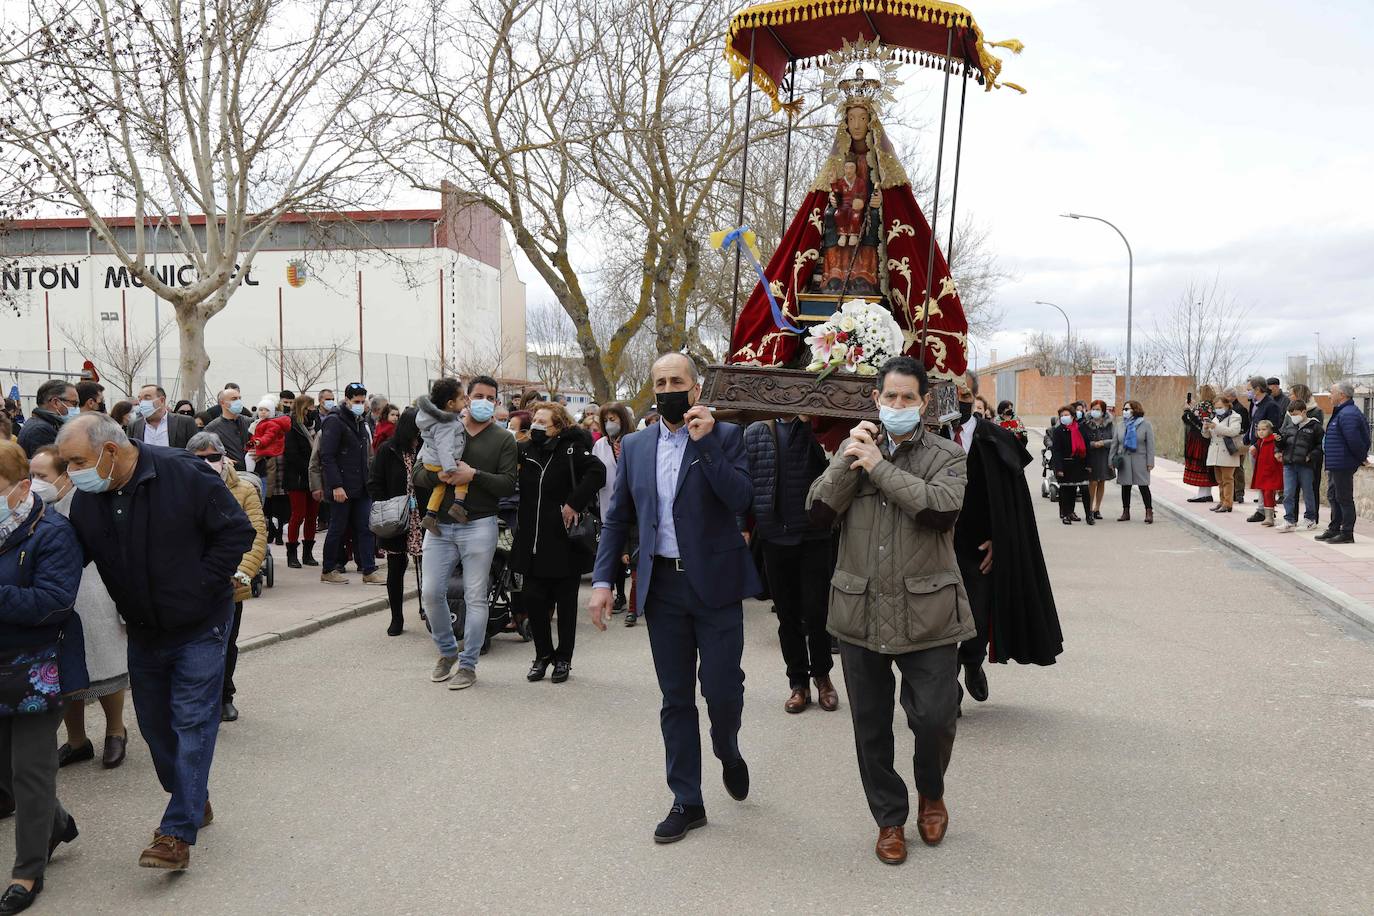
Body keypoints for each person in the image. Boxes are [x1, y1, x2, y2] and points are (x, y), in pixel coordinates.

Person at [58, 413, 254, 870]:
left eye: (76, 461)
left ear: (109, 451)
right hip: (144, 629)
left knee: (191, 722)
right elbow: (70, 555)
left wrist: (202, 585)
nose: (71, 472)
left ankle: (175, 833)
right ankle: (193, 798)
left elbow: (236, 532)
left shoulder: (182, 472)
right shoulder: (90, 498)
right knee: (154, 727)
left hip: (200, 624)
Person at [806, 356, 972, 865]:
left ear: (925, 403)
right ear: (875, 400)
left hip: (929, 612)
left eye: (908, 397)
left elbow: (939, 510)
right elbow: (817, 512)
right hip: (861, 610)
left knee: (936, 718)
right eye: (889, 397)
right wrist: (846, 458)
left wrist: (878, 468)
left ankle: (931, 790)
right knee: (871, 726)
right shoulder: (852, 451)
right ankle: (889, 819)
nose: (898, 405)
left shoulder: (947, 455)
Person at [589, 353, 758, 844]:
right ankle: (688, 799)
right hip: (662, 588)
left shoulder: (726, 436)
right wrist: (603, 582)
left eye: (677, 381)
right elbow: (618, 517)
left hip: (716, 585)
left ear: (696, 390)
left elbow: (741, 499)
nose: (668, 389)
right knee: (675, 696)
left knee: (723, 691)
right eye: (660, 381)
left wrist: (706, 446)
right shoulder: (636, 446)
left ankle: (727, 747)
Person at [0, 441, 82, 913]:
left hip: (36, 665)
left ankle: (27, 872)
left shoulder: (51, 532)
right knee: (5, 768)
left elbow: (54, 602)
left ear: (23, 488)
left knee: (30, 769)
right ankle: (57, 823)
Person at [946, 373, 1061, 711]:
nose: (958, 397)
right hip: (933, 546)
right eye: (950, 391)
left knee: (978, 619)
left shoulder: (994, 439)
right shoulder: (927, 434)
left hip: (979, 548)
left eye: (963, 391)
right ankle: (944, 682)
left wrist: (1001, 539)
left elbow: (1013, 504)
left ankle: (971, 659)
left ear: (973, 396)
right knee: (937, 622)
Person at [28, 447, 129, 770]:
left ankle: (116, 731)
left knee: (104, 665)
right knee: (66, 671)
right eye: (31, 476)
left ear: (65, 477)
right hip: (54, 596)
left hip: (95, 591)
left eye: (42, 477)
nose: (34, 483)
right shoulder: (32, 506)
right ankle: (77, 740)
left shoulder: (90, 503)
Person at [414, 375, 518, 690]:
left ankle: (469, 664)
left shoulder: (503, 439)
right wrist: (443, 477)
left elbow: (507, 483)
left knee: (476, 597)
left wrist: (474, 475)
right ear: (466, 398)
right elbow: (419, 474)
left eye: (490, 397)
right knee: (431, 593)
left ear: (496, 402)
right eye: (478, 395)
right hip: (440, 526)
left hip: (479, 525)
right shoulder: (440, 426)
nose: (484, 401)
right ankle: (447, 651)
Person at [744, 413, 835, 714]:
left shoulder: (816, 427)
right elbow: (747, 479)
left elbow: (829, 467)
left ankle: (822, 676)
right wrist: (743, 524)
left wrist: (813, 424)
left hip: (813, 533)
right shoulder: (756, 430)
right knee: (787, 616)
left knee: (817, 612)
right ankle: (798, 683)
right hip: (774, 534)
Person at [511, 403, 604, 683]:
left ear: (558, 426)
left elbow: (598, 473)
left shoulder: (571, 449)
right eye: (535, 420)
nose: (537, 425)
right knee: (534, 601)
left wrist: (574, 502)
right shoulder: (525, 450)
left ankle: (563, 658)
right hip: (530, 541)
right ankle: (542, 656)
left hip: (564, 542)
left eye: (543, 421)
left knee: (565, 607)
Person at [186, 433, 266, 722]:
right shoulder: (177, 487)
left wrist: (243, 573)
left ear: (224, 458)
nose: (208, 463)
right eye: (199, 458)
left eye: (213, 457)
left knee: (226, 643)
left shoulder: (243, 489)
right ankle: (196, 697)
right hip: (191, 583)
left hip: (230, 583)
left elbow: (255, 534)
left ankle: (223, 696)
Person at [367, 407, 424, 636]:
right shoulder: (388, 449)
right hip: (396, 516)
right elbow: (374, 482)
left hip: (423, 515)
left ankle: (430, 610)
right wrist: (388, 505)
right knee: (396, 568)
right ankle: (396, 617)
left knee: (429, 567)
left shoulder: (426, 448)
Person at [319, 383, 383, 585]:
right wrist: (336, 485)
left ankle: (368, 569)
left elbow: (366, 456)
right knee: (337, 528)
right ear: (347, 400)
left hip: (361, 486)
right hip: (342, 487)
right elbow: (327, 457)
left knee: (365, 528)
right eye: (356, 401)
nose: (360, 405)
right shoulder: (334, 421)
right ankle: (328, 569)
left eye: (363, 402)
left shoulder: (360, 421)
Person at [1317, 381, 1371, 545]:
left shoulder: (1348, 414)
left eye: (1332, 392)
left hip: (1343, 463)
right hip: (1336, 462)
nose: (1329, 396)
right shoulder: (1342, 412)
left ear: (1342, 395)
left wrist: (1361, 457)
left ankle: (1347, 533)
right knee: (1334, 496)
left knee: (1344, 498)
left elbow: (1355, 440)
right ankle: (1334, 528)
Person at [593, 403, 635, 612]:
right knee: (614, 551)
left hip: (633, 505)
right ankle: (617, 593)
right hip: (608, 504)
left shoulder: (633, 441)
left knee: (631, 552)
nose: (610, 424)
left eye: (614, 419)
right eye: (606, 420)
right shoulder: (600, 445)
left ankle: (636, 596)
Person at [416, 379, 469, 533]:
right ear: (450, 404)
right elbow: (444, 447)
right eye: (461, 398)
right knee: (462, 477)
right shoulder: (445, 423)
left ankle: (430, 516)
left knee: (439, 488)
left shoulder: (430, 418)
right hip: (441, 462)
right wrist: (451, 468)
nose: (465, 401)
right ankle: (458, 505)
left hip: (430, 460)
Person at [1274, 399, 1324, 533]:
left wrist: (1311, 456)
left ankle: (1310, 519)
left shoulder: (1315, 427)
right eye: (1291, 415)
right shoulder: (1290, 427)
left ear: (1303, 412)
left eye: (1295, 414)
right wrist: (1278, 444)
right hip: (1289, 464)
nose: (1293, 417)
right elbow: (1284, 443)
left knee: (1308, 492)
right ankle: (1289, 520)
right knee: (1288, 493)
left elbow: (1321, 445)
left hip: (1306, 465)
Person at [283, 396, 320, 569]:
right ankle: (292, 554)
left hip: (314, 477)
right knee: (298, 516)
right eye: (310, 406)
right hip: (297, 478)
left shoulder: (315, 425)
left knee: (313, 516)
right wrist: (310, 468)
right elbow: (291, 454)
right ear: (303, 408)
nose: (313, 409)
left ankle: (308, 553)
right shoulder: (292, 426)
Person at [1110, 400, 1156, 523]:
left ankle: (1149, 511)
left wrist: (1150, 462)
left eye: (1127, 409)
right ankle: (1126, 512)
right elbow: (1115, 443)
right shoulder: (1120, 425)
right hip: (1124, 459)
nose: (1125, 411)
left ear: (1135, 410)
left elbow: (1150, 445)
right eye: (1124, 409)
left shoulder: (1145, 425)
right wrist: (1111, 460)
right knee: (1125, 486)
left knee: (1143, 486)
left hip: (1140, 459)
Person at [1243, 377, 1282, 521]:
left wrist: (1258, 443)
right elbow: (1253, 423)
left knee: (1266, 480)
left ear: (1258, 389)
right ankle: (1263, 508)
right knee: (1258, 478)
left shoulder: (1270, 405)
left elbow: (1272, 428)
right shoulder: (1254, 404)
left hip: (1265, 448)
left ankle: (1264, 510)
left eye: (1249, 390)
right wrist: (1248, 437)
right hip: (1255, 446)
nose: (1248, 393)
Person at [1049, 405, 1092, 525]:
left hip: (1080, 463)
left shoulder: (1082, 428)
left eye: (1066, 415)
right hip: (1065, 464)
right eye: (1062, 416)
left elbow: (1087, 447)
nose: (1064, 417)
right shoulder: (1058, 431)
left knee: (1084, 489)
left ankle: (1089, 515)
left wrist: (1089, 464)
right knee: (1067, 490)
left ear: (1073, 416)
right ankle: (1067, 514)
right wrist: (1058, 468)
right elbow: (1056, 451)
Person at [1203, 394, 1243, 513]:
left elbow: (1233, 431)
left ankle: (1228, 503)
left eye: (1220, 406)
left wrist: (1216, 426)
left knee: (1227, 479)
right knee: (1219, 480)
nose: (1218, 409)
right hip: (1215, 452)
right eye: (1216, 407)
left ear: (1227, 405)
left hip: (1228, 451)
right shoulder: (1215, 418)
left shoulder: (1235, 416)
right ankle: (1221, 501)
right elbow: (1207, 435)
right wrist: (1205, 428)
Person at [17, 380, 76, 458]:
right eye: (74, 403)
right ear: (56, 402)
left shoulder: (41, 423)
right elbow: (53, 466)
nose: (77, 408)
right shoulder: (41, 430)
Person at [130, 385, 197, 449]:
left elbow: (195, 451)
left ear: (162, 400)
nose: (142, 403)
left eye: (147, 398)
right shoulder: (135, 426)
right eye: (140, 399)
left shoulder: (185, 422)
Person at [203, 389, 252, 472]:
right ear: (222, 403)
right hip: (230, 474)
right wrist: (223, 458)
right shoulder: (211, 429)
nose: (238, 401)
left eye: (239, 398)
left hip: (255, 473)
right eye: (234, 399)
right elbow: (205, 452)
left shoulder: (250, 422)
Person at [1247, 419, 1284, 527]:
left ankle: (1269, 517)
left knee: (1269, 493)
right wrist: (1254, 452)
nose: (1261, 432)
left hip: (1272, 472)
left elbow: (1278, 453)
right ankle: (1269, 515)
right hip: (1262, 472)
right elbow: (1259, 456)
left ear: (1270, 430)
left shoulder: (1274, 440)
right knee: (1264, 493)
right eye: (1259, 429)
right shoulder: (1260, 442)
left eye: (1264, 429)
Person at [1082, 399, 1115, 519]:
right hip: (1091, 456)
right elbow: (1082, 439)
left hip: (1105, 455)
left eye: (1098, 409)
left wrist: (1103, 443)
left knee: (1102, 481)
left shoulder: (1109, 423)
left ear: (1103, 411)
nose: (1095, 411)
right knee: (1093, 481)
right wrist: (1092, 444)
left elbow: (1114, 439)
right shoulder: (1086, 423)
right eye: (1093, 409)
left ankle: (1097, 509)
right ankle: (1089, 508)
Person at [1224, 386, 1251, 505]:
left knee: (1238, 466)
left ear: (1232, 396)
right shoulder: (1227, 408)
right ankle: (1234, 493)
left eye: (1227, 396)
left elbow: (1245, 426)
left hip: (1238, 441)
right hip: (1228, 441)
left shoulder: (1240, 409)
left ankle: (1239, 493)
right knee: (1231, 467)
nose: (1225, 398)